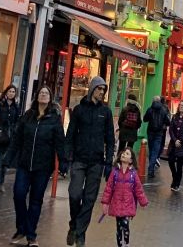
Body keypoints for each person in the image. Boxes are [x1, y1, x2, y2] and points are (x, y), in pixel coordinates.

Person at [6, 85, 67, 247]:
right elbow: (17, 139)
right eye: (41, 93)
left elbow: (60, 143)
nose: (44, 95)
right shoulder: (28, 116)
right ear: (37, 96)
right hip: (25, 164)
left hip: (43, 166)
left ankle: (31, 234)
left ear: (50, 98)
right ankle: (22, 228)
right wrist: (8, 158)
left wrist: (63, 163)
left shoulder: (54, 119)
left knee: (36, 200)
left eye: (46, 93)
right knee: (18, 194)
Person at [67, 77, 115, 247]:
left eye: (104, 90)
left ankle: (80, 233)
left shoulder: (106, 112)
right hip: (79, 160)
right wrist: (67, 158)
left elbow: (110, 139)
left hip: (96, 162)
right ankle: (74, 223)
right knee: (74, 194)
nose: (102, 92)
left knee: (89, 199)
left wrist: (109, 163)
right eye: (99, 89)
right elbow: (70, 134)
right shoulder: (79, 110)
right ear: (92, 89)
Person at [100, 146, 148, 247]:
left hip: (128, 204)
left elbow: (138, 189)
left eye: (126, 154)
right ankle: (120, 245)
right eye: (123, 153)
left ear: (131, 160)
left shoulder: (133, 174)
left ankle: (126, 243)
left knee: (125, 225)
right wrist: (105, 203)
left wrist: (143, 202)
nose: (123, 154)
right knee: (118, 227)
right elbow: (108, 188)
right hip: (117, 204)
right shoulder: (115, 172)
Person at [0, 85, 21, 193]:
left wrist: (14, 131)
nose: (11, 93)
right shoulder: (0, 104)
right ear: (6, 92)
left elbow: (17, 121)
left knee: (4, 163)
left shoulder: (16, 107)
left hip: (9, 137)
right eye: (10, 91)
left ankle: (1, 183)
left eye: (13, 91)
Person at [143, 96, 170, 177]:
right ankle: (151, 169)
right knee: (155, 151)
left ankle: (151, 168)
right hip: (159, 133)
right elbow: (168, 122)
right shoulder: (163, 110)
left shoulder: (150, 109)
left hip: (150, 132)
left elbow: (145, 119)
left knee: (151, 150)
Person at [116, 93, 142, 158]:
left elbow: (120, 120)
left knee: (121, 148)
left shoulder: (125, 109)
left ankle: (119, 161)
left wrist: (121, 127)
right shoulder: (137, 110)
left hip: (124, 130)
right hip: (133, 132)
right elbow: (139, 122)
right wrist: (135, 128)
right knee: (130, 149)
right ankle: (128, 162)